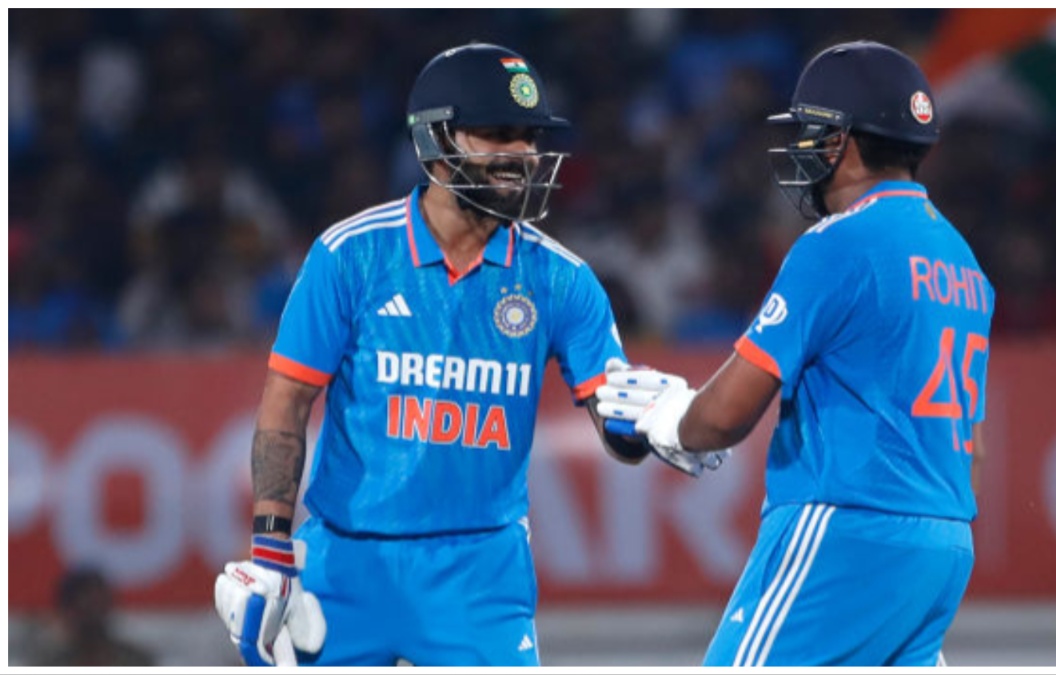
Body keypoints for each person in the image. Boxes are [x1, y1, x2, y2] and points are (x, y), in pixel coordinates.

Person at [212, 42, 721, 667]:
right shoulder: (350, 255)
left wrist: (653, 421)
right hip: (344, 564)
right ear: (436, 141)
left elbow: (616, 428)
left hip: (481, 576)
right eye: (498, 135)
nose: (523, 155)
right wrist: (270, 552)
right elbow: (286, 402)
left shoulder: (562, 280)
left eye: (530, 138)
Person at [598, 41, 995, 666]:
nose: (804, 148)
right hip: (943, 542)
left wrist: (666, 418)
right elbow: (972, 450)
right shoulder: (965, 262)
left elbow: (725, 416)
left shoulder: (837, 243)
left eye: (813, 131)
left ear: (844, 142)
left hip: (847, 529)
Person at [30, 567, 156, 667]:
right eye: (87, 607)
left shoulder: (136, 662)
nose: (95, 616)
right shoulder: (51, 665)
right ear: (67, 611)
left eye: (101, 605)